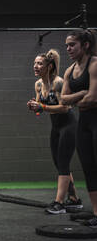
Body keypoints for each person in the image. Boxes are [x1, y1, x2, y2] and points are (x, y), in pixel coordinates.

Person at [27, 49, 81, 214]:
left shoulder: (58, 83)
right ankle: (74, 199)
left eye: (39, 63)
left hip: (69, 125)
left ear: (49, 67)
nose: (35, 66)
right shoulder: (38, 85)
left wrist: (42, 107)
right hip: (56, 126)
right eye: (35, 63)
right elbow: (40, 109)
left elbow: (65, 107)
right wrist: (34, 107)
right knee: (59, 163)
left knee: (63, 163)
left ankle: (59, 203)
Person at [60, 29, 97, 227]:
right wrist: (82, 94)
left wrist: (79, 98)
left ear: (86, 45)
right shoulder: (69, 70)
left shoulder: (95, 64)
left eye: (72, 45)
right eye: (66, 45)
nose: (68, 49)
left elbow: (93, 97)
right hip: (84, 123)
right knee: (89, 167)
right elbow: (63, 99)